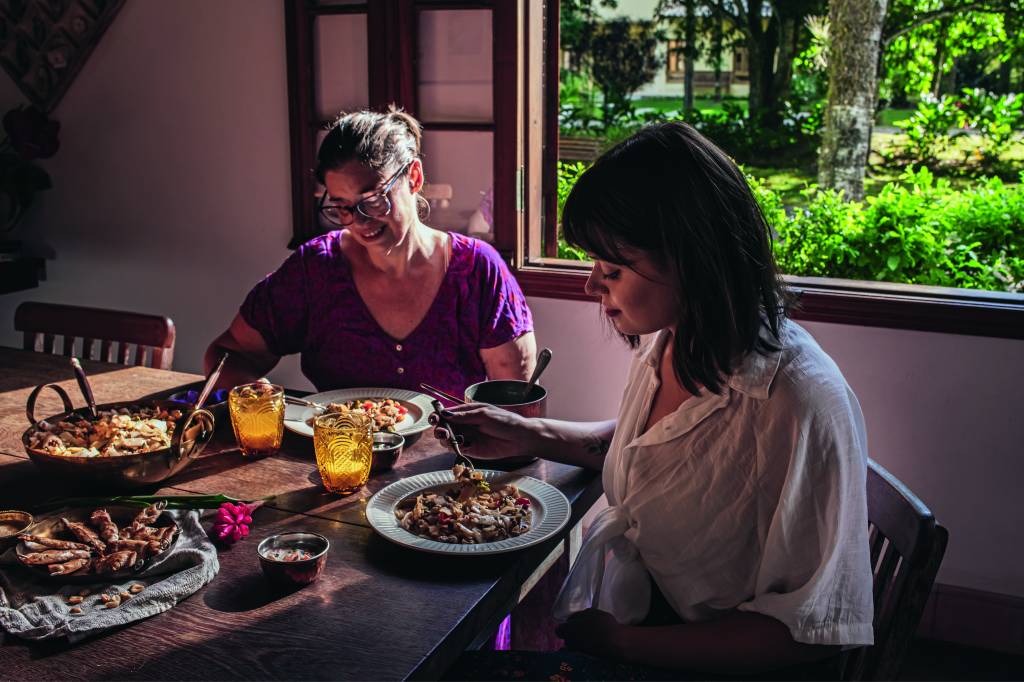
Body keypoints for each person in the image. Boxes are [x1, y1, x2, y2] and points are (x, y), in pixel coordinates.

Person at [434, 122, 874, 678]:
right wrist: (526, 432)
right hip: (647, 621)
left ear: (691, 259)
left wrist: (620, 645)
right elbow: (658, 451)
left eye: (613, 269)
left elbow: (808, 635)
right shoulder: (677, 337)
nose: (593, 286)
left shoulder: (797, 400)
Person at [205, 107, 536, 396]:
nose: (358, 221)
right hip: (339, 460)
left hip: (450, 465)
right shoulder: (316, 270)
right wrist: (255, 397)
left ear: (414, 177)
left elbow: (515, 408)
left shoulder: (477, 272)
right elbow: (228, 355)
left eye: (373, 200)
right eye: (342, 207)